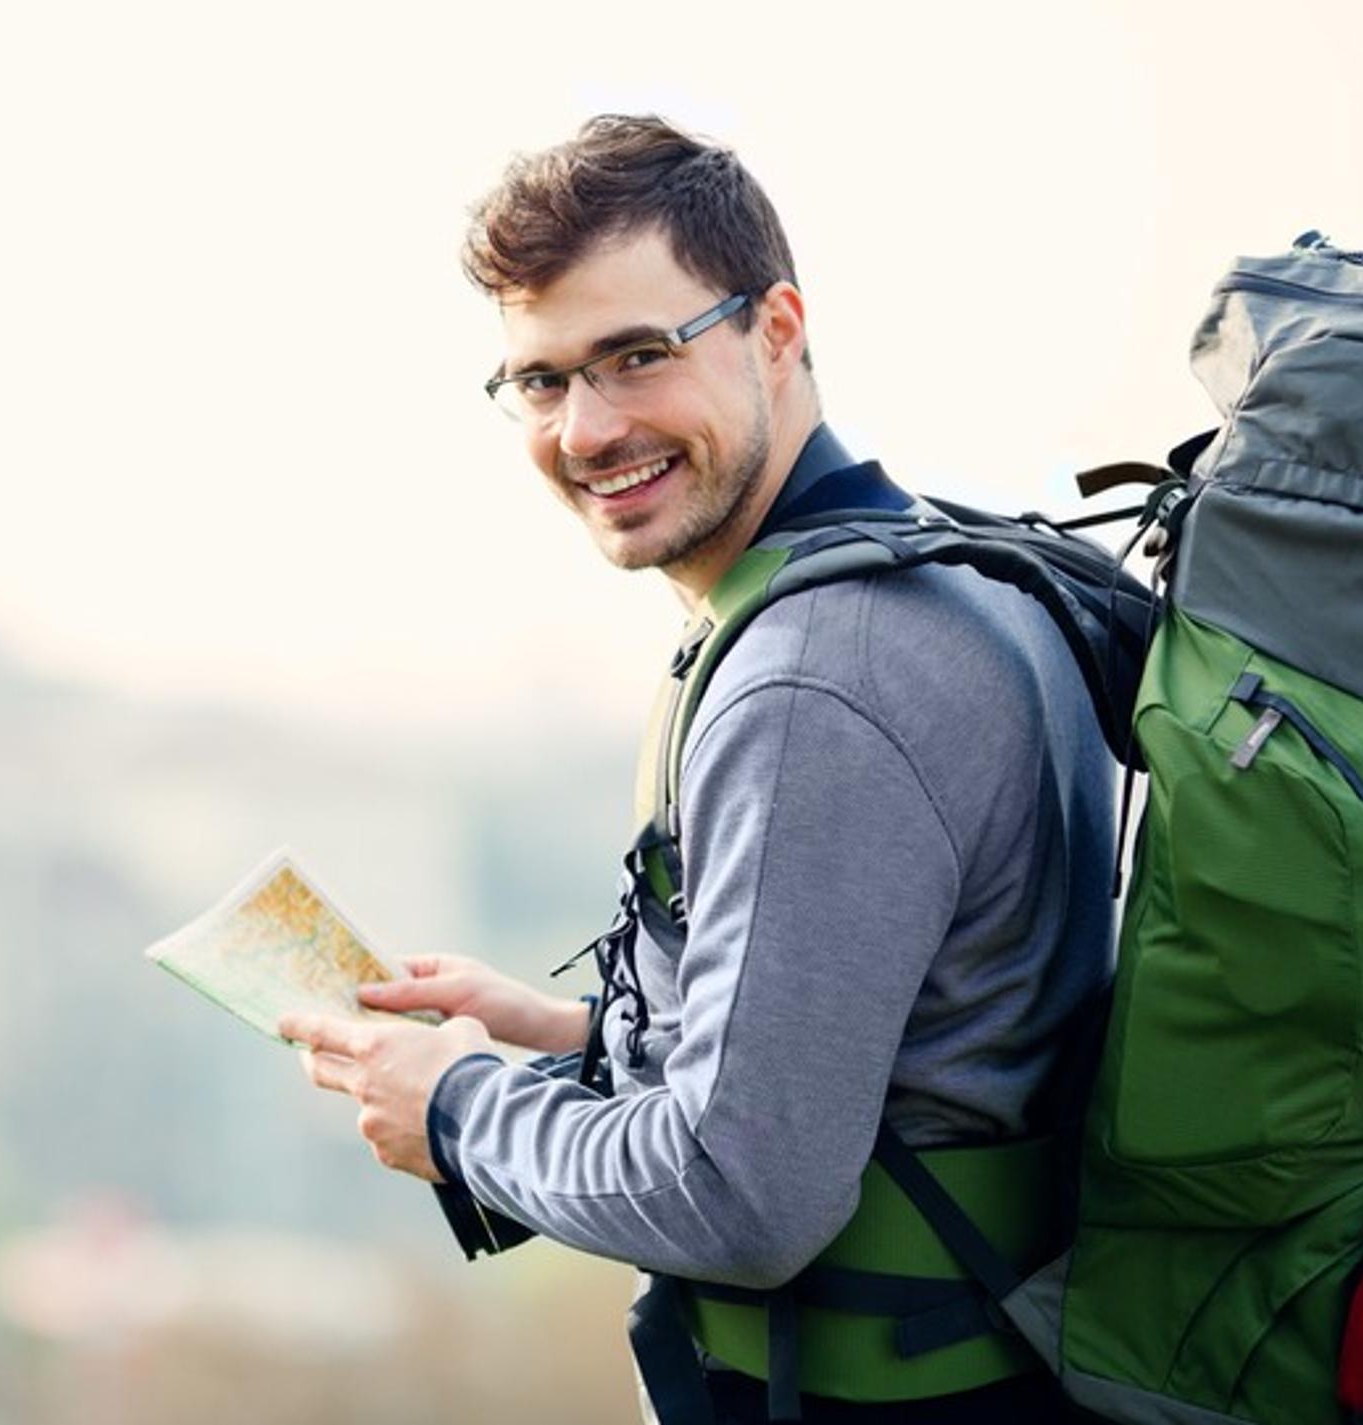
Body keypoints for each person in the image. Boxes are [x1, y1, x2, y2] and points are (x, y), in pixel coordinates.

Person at [279, 115, 1116, 1423]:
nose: (588, 428)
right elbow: (926, 1046)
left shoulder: (814, 684)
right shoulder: (948, 575)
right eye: (542, 380)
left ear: (777, 329)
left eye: (635, 356)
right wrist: (580, 1038)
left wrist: (458, 1111)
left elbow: (742, 1192)